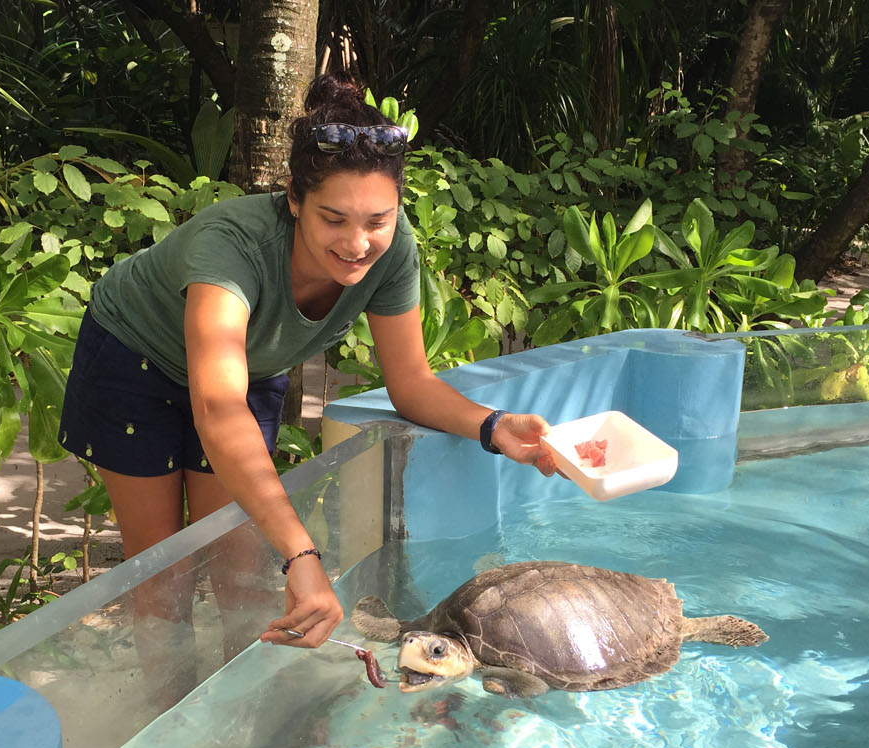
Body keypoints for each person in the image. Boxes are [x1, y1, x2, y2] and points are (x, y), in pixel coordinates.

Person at [57, 71, 557, 662]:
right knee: (164, 576)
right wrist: (304, 555)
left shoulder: (394, 252)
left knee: (243, 570)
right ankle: (168, 722)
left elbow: (412, 383)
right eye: (333, 219)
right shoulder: (230, 246)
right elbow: (219, 408)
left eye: (378, 220)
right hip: (135, 359)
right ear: (293, 197)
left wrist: (495, 427)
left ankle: (247, 715)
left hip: (248, 365)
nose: (357, 244)